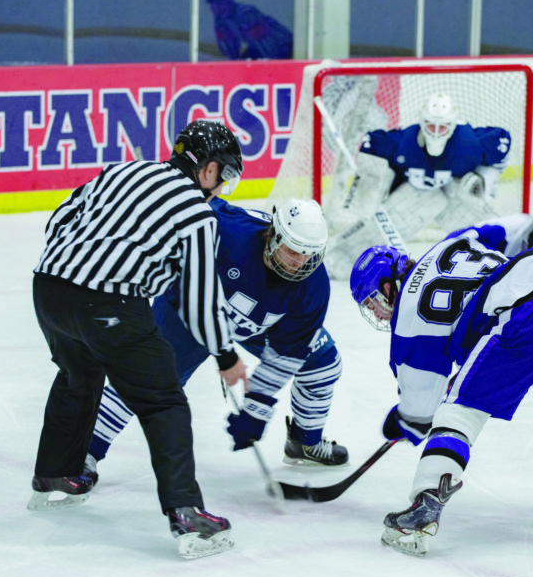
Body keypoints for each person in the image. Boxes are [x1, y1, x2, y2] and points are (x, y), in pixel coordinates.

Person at [29, 119, 246, 560]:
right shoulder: (197, 214)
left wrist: (73, 271)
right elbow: (201, 300)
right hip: (110, 304)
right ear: (206, 170)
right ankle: (186, 510)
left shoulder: (124, 169)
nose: (221, 188)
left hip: (48, 287)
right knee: (163, 400)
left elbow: (60, 218)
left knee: (78, 374)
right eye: (223, 176)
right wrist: (225, 355)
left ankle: (56, 473)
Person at [348, 215, 533, 557]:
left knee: (459, 410)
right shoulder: (453, 240)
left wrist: (404, 423)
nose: (377, 312)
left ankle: (424, 507)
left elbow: (422, 413)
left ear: (389, 286)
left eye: (373, 301)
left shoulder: (407, 322)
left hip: (523, 320)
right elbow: (526, 228)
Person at [84, 196, 349, 478]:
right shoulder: (225, 231)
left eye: (310, 254)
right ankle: (84, 452)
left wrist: (256, 406)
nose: (302, 263)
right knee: (145, 378)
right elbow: (188, 206)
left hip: (258, 323)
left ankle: (304, 442)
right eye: (294, 251)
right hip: (190, 312)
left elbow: (288, 353)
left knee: (322, 363)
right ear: (273, 235)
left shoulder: (313, 286)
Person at [323, 92, 512, 279]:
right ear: (422, 121)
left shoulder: (469, 144)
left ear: (453, 125)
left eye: (443, 127)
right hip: (416, 196)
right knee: (373, 231)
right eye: (431, 125)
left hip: (452, 195)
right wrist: (369, 188)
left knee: (482, 229)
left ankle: (499, 263)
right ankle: (336, 260)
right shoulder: (404, 142)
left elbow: (503, 140)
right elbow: (371, 141)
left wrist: (487, 187)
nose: (436, 132)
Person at [206, 0, 293, 60]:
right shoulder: (220, 19)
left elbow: (265, 41)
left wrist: (271, 64)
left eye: (215, 4)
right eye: (211, 5)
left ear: (227, 2)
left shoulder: (247, 14)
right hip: (258, 48)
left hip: (284, 45)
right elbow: (229, 45)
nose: (212, 8)